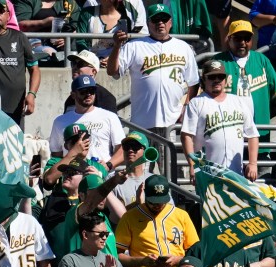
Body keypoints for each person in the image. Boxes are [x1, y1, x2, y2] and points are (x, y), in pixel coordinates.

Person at [107, 3, 199, 134]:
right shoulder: (134, 46)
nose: (160, 23)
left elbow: (194, 82)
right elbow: (112, 71)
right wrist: (116, 47)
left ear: (170, 22)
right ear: (148, 23)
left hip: (172, 121)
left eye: (164, 19)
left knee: (169, 154)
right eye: (156, 19)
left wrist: (186, 107)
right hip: (142, 122)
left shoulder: (183, 47)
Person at [115, 174, 199, 267]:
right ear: (145, 196)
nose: (158, 205)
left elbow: (195, 252)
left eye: (161, 201)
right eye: (153, 201)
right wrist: (142, 261)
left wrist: (177, 260)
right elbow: (117, 256)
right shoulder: (130, 217)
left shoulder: (181, 215)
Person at [212, 20, 276, 157]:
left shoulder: (261, 60)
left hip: (259, 131)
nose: (243, 43)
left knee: (260, 171)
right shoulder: (218, 62)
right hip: (227, 132)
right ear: (229, 39)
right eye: (238, 38)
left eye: (247, 38)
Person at [182, 59, 260, 181]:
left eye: (220, 77)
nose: (217, 80)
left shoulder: (238, 101)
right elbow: (186, 135)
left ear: (226, 80)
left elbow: (253, 134)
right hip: (207, 172)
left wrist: (253, 163)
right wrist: (192, 165)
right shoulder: (196, 103)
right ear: (204, 79)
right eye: (212, 77)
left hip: (236, 174)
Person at [49, 75, 124, 167]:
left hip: (101, 176)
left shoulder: (110, 117)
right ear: (73, 95)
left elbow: (121, 149)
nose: (88, 94)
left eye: (91, 91)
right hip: (72, 176)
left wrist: (108, 165)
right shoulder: (60, 121)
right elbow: (56, 154)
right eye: (83, 91)